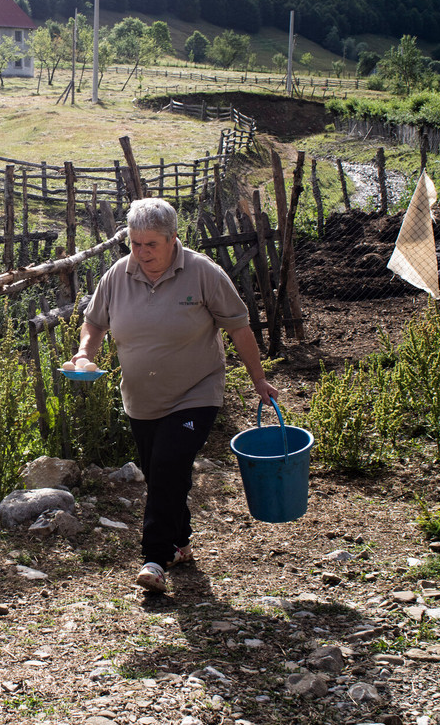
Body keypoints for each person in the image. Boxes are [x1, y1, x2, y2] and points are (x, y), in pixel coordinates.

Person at [72, 197, 278, 593]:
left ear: (172, 239)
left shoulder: (203, 273)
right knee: (161, 474)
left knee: (167, 464)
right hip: (141, 398)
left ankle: (154, 557)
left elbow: (239, 328)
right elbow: (94, 323)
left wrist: (258, 379)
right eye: (135, 243)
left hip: (196, 392)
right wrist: (84, 353)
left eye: (151, 244)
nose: (142, 252)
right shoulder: (117, 276)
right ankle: (181, 543)